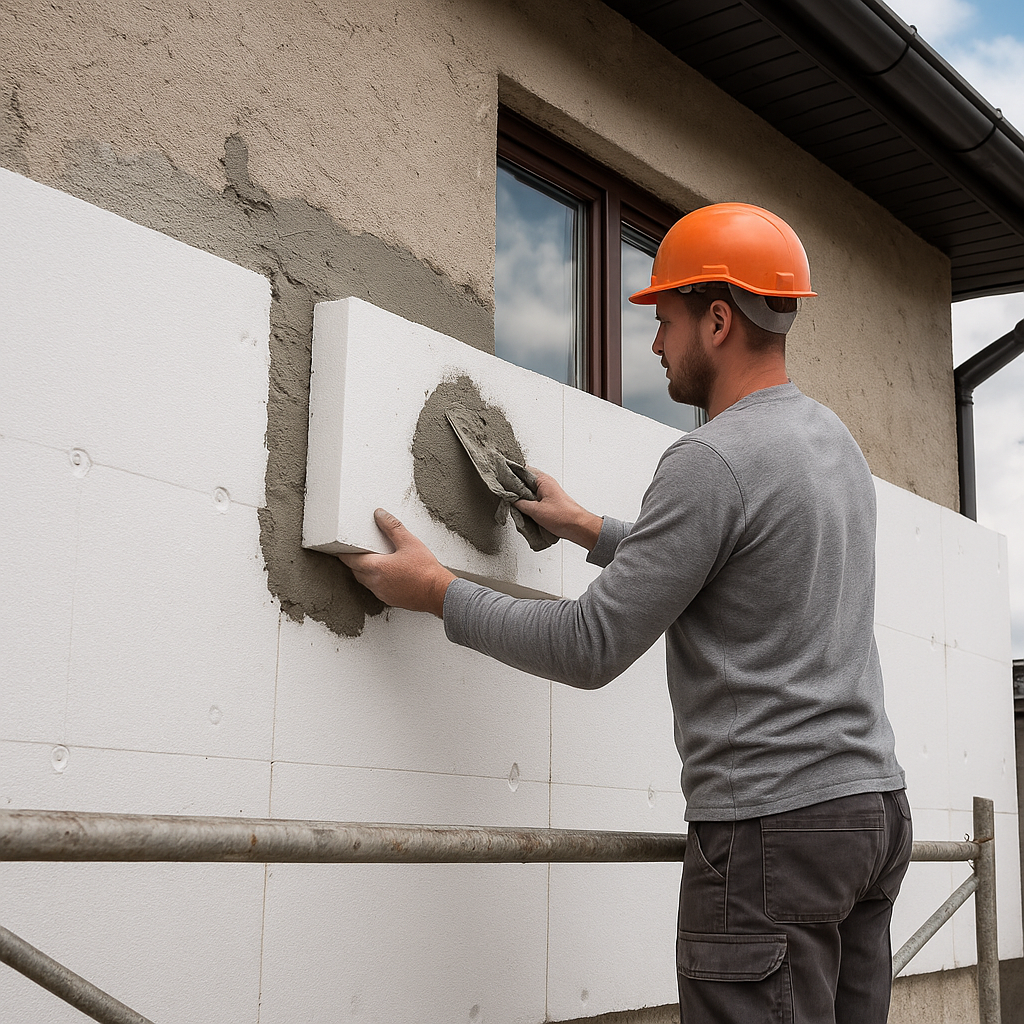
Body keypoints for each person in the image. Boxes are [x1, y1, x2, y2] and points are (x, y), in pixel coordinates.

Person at [340, 202, 912, 1024]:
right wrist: (585, 527)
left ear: (718, 320)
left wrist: (437, 592)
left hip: (771, 831)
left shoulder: (710, 460)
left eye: (666, 320)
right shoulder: (830, 442)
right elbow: (742, 557)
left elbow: (588, 646)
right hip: (868, 817)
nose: (653, 344)